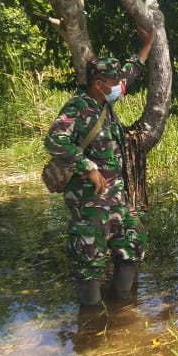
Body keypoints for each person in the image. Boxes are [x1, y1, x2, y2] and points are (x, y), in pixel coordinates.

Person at [44, 24, 156, 306]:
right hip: (89, 199)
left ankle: (123, 306)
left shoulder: (105, 101)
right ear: (98, 84)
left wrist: (147, 45)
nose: (120, 86)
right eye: (114, 82)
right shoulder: (78, 108)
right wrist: (87, 166)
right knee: (88, 257)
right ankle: (90, 318)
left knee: (133, 240)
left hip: (116, 197)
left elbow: (132, 70)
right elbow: (54, 139)